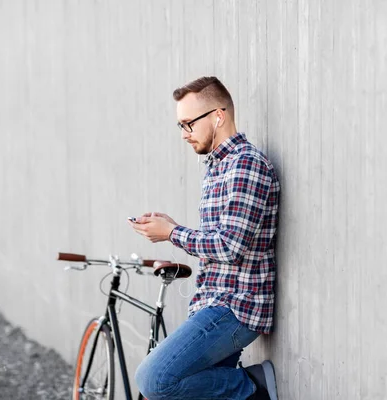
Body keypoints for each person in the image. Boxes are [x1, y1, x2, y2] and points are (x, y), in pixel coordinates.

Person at [129, 76, 280, 400]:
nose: (184, 134)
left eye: (188, 124)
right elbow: (217, 237)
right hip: (211, 300)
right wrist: (171, 226)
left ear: (218, 116)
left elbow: (230, 246)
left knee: (153, 380)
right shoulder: (216, 167)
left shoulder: (245, 165)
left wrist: (171, 233)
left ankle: (252, 389)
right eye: (180, 126)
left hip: (237, 307)